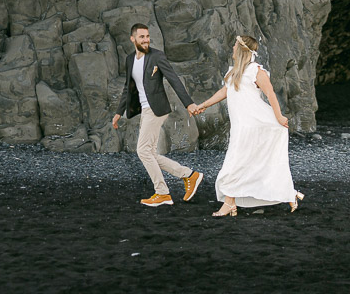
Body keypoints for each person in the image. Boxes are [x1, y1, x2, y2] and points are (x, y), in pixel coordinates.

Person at [192, 35, 303, 217]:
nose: (233, 48)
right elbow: (224, 92)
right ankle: (287, 194)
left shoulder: (255, 71)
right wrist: (203, 106)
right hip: (241, 127)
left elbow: (271, 94)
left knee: (236, 163)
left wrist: (279, 116)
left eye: (235, 45)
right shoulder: (233, 72)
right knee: (243, 164)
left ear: (243, 49)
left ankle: (230, 204)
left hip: (256, 124)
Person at [112, 23, 204, 207]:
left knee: (143, 151)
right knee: (150, 153)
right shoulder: (130, 60)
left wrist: (189, 103)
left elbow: (174, 79)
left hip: (156, 109)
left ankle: (162, 192)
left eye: (147, 36)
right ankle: (189, 175)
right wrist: (118, 112)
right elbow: (127, 88)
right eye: (141, 37)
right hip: (145, 110)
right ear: (133, 39)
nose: (146, 40)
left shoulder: (157, 56)